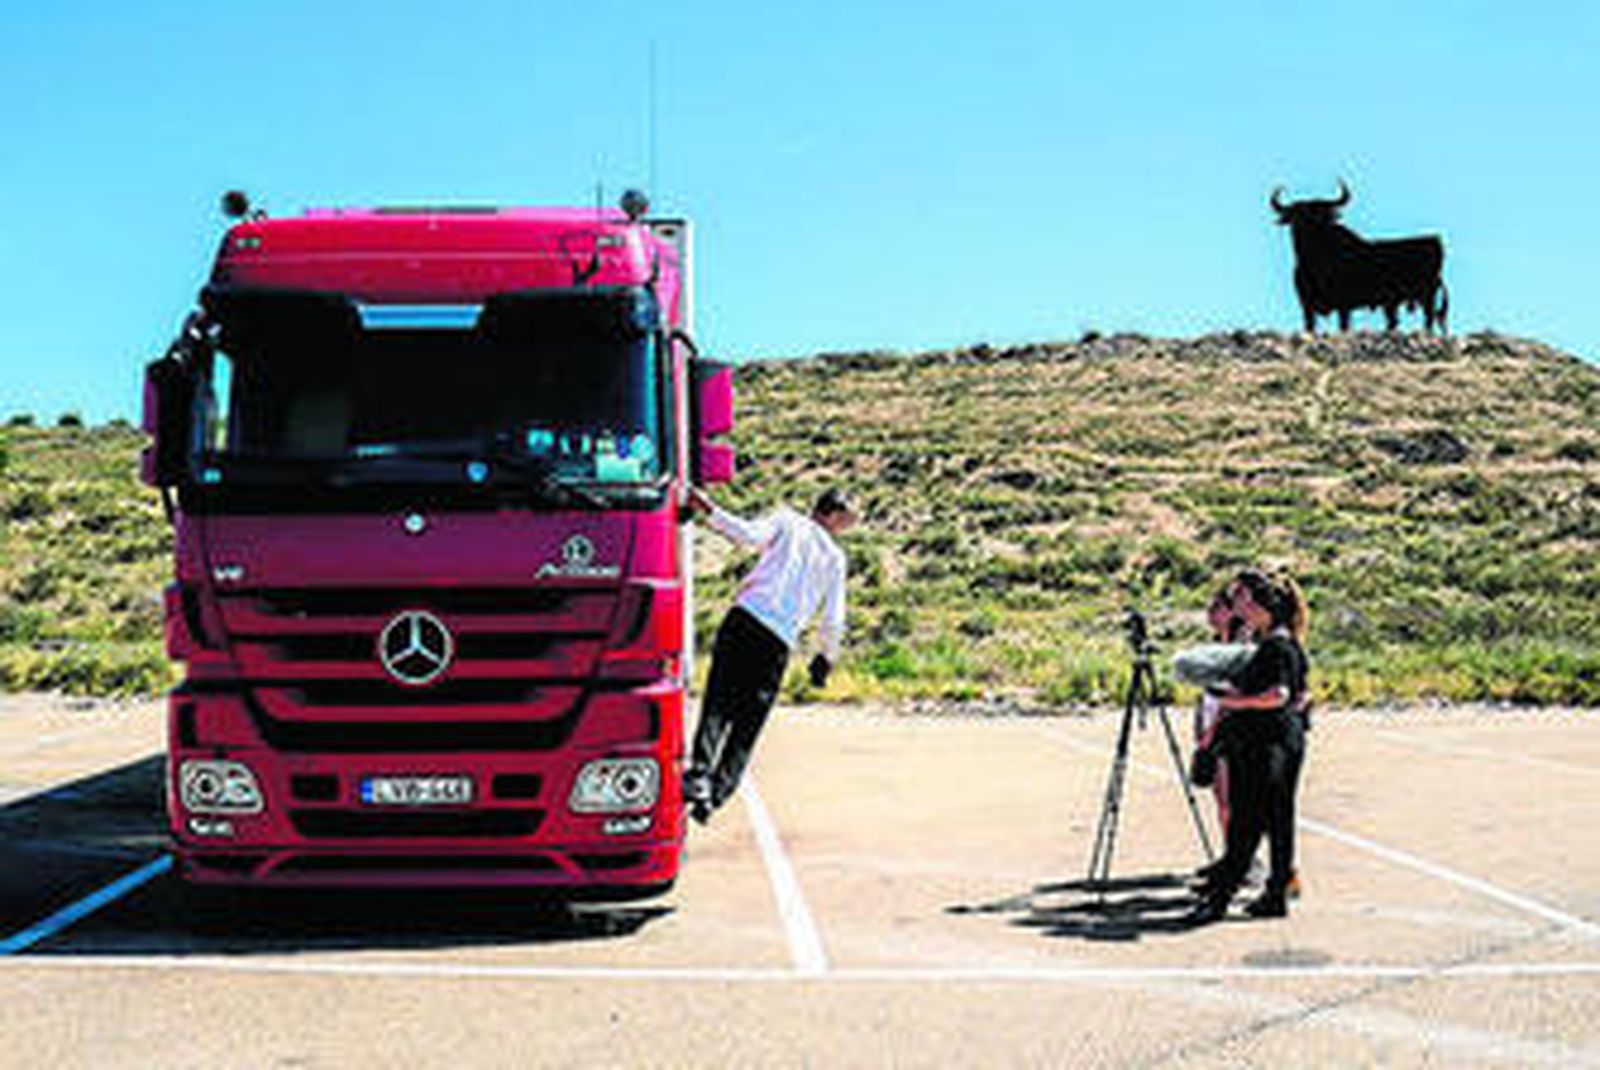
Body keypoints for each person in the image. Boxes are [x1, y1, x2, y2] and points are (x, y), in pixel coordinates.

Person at [682, 485, 856, 824]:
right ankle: (715, 795)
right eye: (847, 520)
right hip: (777, 639)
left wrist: (710, 509)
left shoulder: (786, 521)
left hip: (744, 619)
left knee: (718, 699)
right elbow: (833, 618)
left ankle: (699, 776)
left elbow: (746, 535)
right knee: (748, 722)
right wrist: (825, 657)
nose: (847, 527)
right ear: (833, 514)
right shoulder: (835, 558)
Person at [1189, 569, 1310, 922]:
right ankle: (1275, 893)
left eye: (1244, 599)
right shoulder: (1281, 641)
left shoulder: (1274, 645)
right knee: (1278, 818)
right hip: (1283, 740)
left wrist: (1234, 703)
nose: (1238, 605)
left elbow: (1278, 695)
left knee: (1247, 822)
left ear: (1262, 606)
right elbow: (1298, 694)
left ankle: (1220, 896)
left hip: (1264, 742)